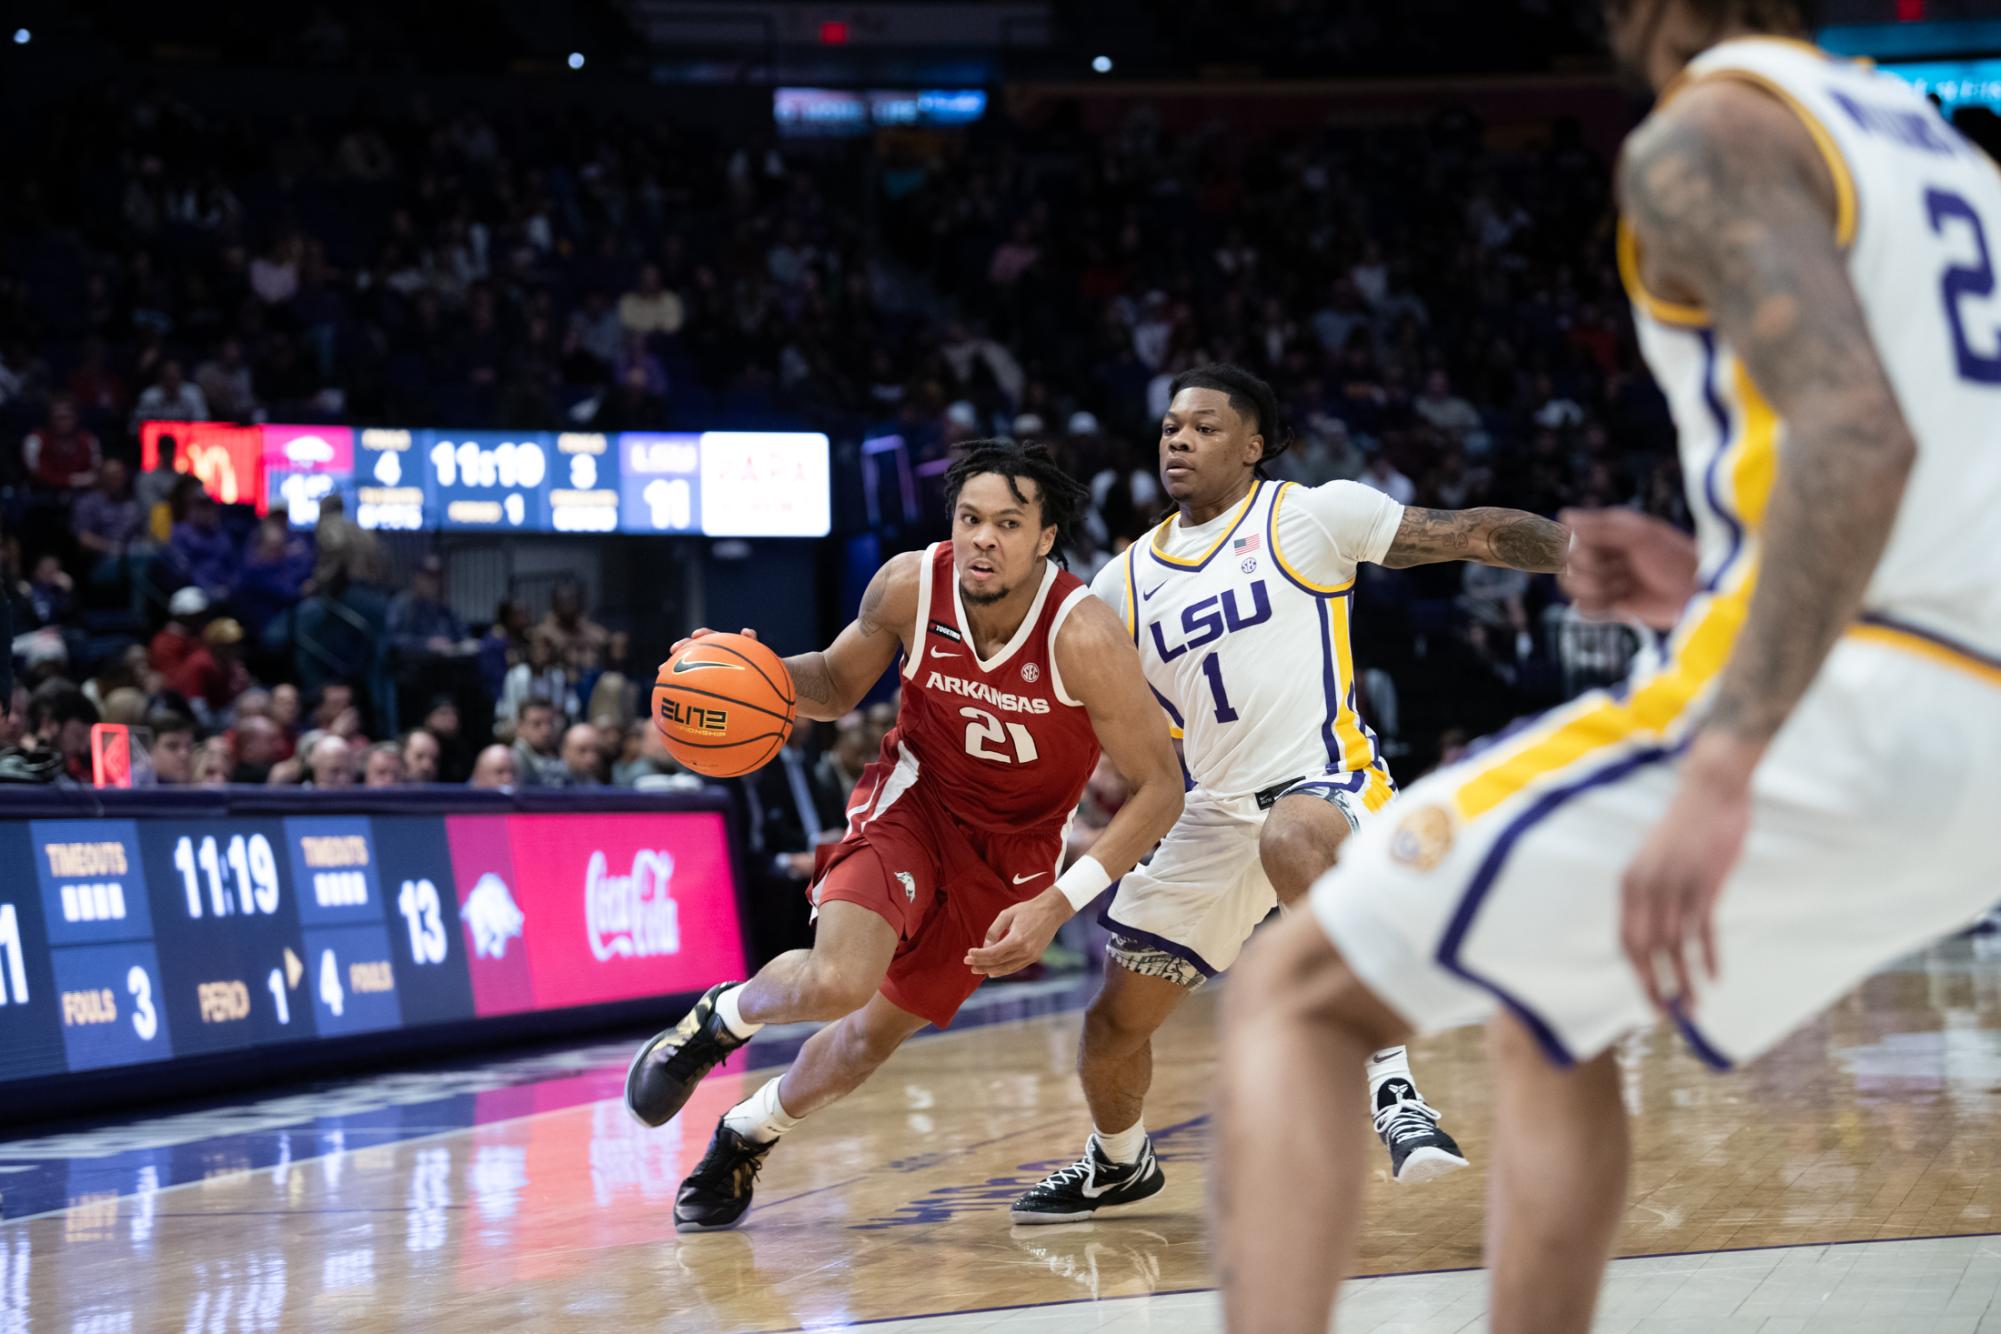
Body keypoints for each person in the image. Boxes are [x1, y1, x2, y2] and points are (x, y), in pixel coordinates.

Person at [1212, 7, 2001, 1333]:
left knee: (1296, 991)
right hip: (1965, 717)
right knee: (1547, 1002)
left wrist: (1725, 757)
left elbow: (1855, 434)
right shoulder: (1939, 154)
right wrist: (1707, 577)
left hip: (1848, 703)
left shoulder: (1709, 126)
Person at [1013, 364, 1570, 1222]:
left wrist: (1578, 552)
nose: (1178, 440)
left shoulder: (1308, 515)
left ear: (1254, 445)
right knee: (1112, 1030)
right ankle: (1118, 1163)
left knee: (1289, 839)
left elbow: (1468, 533)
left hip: (1327, 784)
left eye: (1202, 426)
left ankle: (1395, 1093)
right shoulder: (1118, 585)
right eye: (1169, 427)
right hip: (1208, 813)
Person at [624, 439, 1183, 1233]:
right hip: (912, 804)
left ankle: (743, 1135)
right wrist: (748, 671)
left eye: (1008, 523)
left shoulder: (1082, 636)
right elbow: (832, 682)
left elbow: (1159, 790)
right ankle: (719, 1020)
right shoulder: (911, 585)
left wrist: (1058, 904)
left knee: (862, 1043)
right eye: (970, 518)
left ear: (1045, 537)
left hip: (1013, 854)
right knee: (839, 978)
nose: (984, 538)